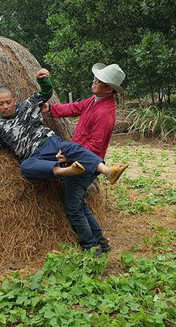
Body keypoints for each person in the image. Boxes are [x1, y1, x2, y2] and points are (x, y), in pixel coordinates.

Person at [0, 68, 128, 184]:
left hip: (49, 142)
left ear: (14, 100)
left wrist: (42, 79)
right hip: (33, 156)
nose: (6, 106)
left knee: (72, 148)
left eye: (8, 102)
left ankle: (107, 171)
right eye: (1, 104)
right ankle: (67, 171)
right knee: (26, 168)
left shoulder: (27, 105)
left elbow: (46, 92)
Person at [40, 63, 126, 254]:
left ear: (109, 88)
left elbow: (94, 147)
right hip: (81, 159)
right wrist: (50, 109)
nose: (94, 82)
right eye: (95, 78)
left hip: (85, 165)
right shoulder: (95, 100)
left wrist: (69, 156)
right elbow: (75, 107)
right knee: (79, 202)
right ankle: (100, 240)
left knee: (73, 208)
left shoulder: (105, 113)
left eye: (99, 81)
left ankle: (90, 247)